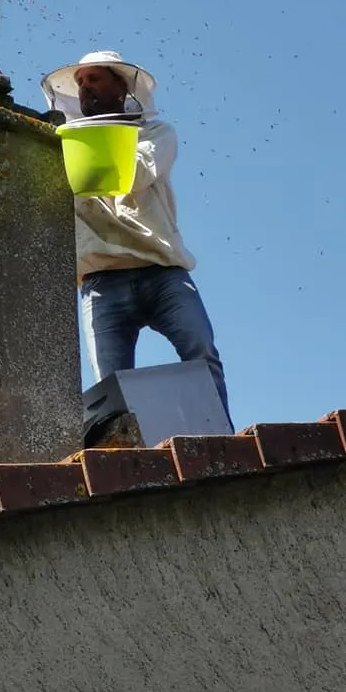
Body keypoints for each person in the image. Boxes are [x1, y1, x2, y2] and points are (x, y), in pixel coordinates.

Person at [41, 50, 232, 427]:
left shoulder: (157, 133)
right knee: (110, 389)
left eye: (94, 79)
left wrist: (87, 156)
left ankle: (225, 439)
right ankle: (122, 464)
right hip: (101, 284)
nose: (85, 89)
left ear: (121, 86)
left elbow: (136, 173)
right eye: (80, 83)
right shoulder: (63, 148)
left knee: (201, 354)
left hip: (161, 272)